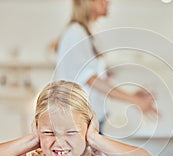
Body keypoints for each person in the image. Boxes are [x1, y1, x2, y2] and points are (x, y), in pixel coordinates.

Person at [0, 81, 155, 156]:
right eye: (49, 133)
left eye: (70, 132)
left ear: (89, 125)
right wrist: (32, 140)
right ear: (37, 127)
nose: (59, 142)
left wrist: (94, 138)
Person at [54, 0, 157, 133]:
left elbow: (94, 80)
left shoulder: (84, 33)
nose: (108, 2)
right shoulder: (76, 33)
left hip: (89, 120)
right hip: (79, 122)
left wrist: (131, 95)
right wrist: (134, 100)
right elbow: (91, 80)